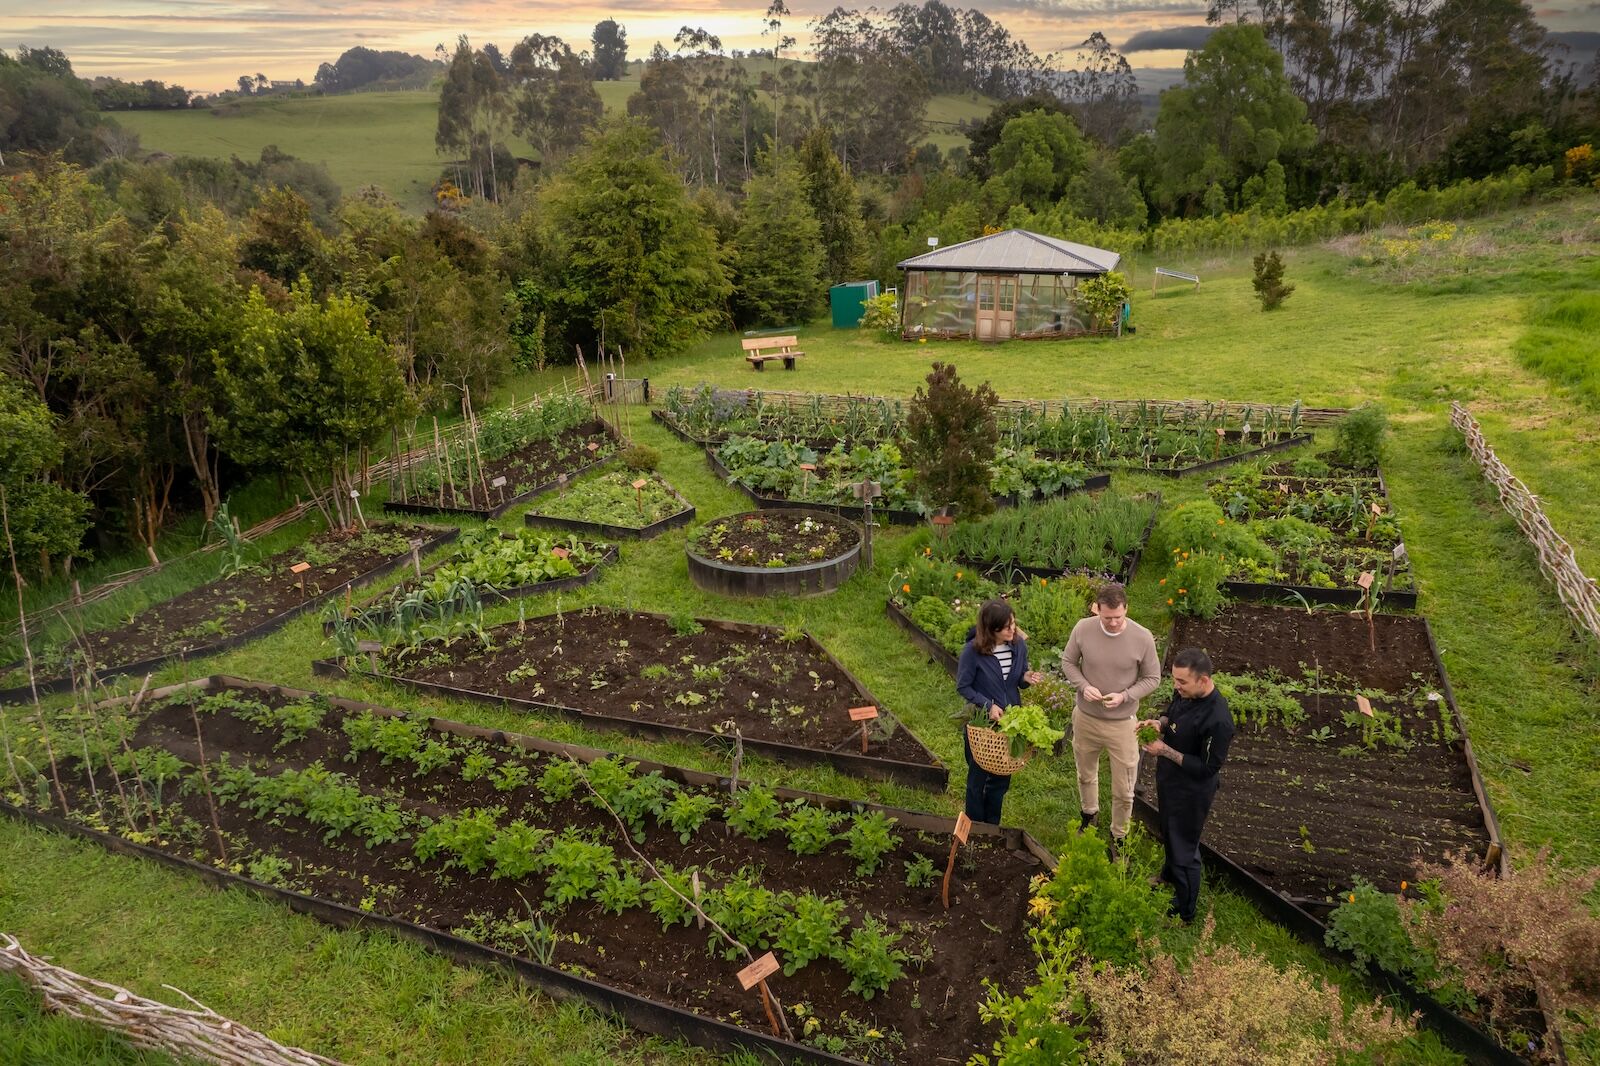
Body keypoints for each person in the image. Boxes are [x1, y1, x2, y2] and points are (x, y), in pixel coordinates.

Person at [1059, 583, 1162, 850]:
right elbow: (1068, 663)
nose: (1114, 623)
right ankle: (1089, 814)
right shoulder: (1083, 629)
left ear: (1126, 609)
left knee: (1124, 787)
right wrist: (1084, 686)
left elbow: (1153, 678)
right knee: (1085, 773)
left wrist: (1125, 696)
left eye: (1119, 617)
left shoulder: (1142, 637)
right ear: (1098, 610)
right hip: (1086, 717)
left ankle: (1119, 836)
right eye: (1107, 618)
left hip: (1123, 724)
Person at [1140, 646, 1235, 923]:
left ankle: (1185, 911)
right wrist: (1159, 724)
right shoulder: (1184, 692)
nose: (1176, 686)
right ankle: (1167, 876)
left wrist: (1164, 751)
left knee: (1184, 848)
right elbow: (1172, 715)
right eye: (1174, 679)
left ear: (1203, 680)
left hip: (1191, 792)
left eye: (1181, 681)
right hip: (1171, 781)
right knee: (1169, 832)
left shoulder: (1218, 720)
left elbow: (1208, 768)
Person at [956, 599, 1045, 824]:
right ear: (991, 629)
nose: (1012, 629)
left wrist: (1025, 678)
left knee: (1001, 777)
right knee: (978, 777)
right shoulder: (972, 652)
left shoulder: (1018, 646)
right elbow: (963, 686)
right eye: (1006, 627)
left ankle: (992, 826)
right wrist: (988, 705)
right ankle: (975, 825)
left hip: (1011, 721)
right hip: (982, 722)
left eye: (1013, 623)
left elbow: (1018, 678)